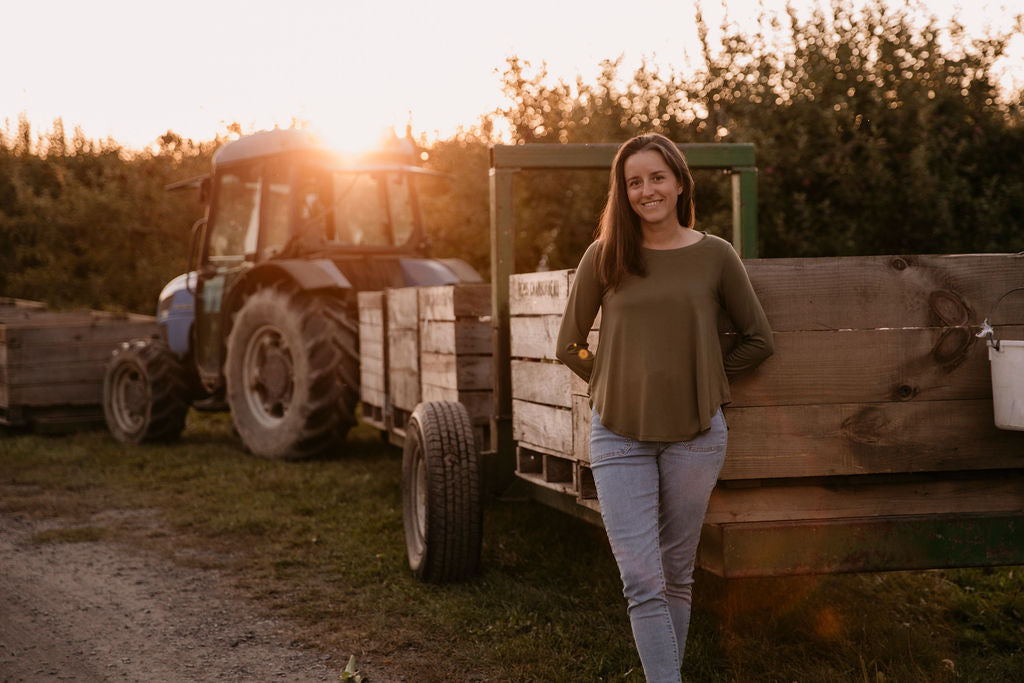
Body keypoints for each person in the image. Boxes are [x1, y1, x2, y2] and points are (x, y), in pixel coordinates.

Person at [555, 133, 774, 682]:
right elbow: (570, 344)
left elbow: (757, 339)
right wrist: (614, 382)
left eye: (656, 177)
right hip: (618, 435)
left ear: (679, 183)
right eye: (634, 182)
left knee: (677, 573)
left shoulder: (716, 254)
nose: (646, 190)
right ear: (622, 192)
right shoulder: (605, 255)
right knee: (642, 580)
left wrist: (702, 379)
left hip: (696, 435)